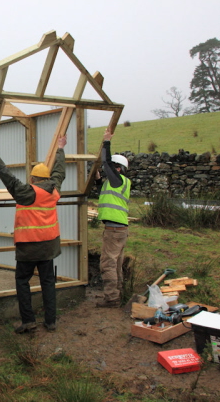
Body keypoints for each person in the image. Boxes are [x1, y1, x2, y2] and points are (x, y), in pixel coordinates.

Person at [0, 135, 67, 333]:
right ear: (47, 178)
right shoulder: (54, 190)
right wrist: (60, 149)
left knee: (22, 281)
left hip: (29, 247)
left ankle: (28, 321)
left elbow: (8, 178)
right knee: (48, 283)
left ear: (33, 179)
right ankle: (50, 321)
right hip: (48, 247)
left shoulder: (27, 192)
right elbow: (59, 172)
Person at [95, 127, 131, 308]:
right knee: (116, 264)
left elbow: (106, 162)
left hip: (114, 230)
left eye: (111, 168)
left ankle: (112, 299)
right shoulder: (117, 183)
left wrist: (107, 141)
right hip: (120, 229)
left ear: (118, 168)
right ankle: (119, 293)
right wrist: (96, 179)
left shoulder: (118, 180)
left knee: (107, 264)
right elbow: (103, 192)